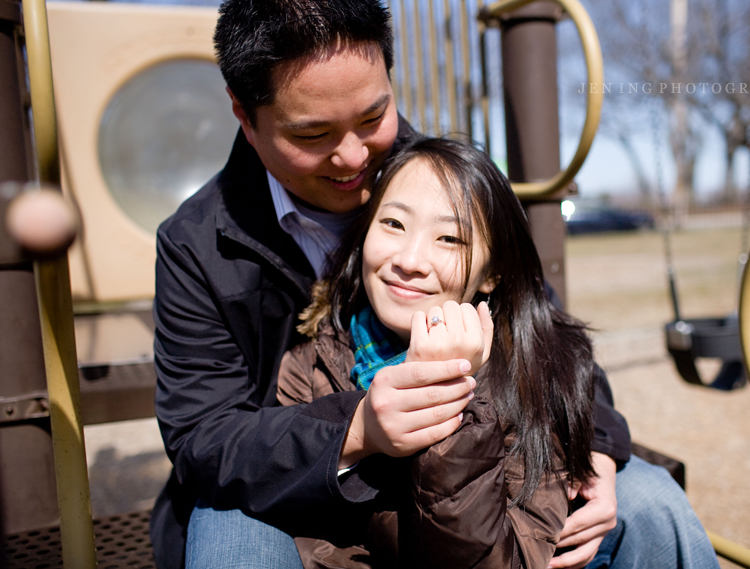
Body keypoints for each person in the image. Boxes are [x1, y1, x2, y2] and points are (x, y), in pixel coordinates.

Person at [151, 0, 719, 568]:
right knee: (227, 529)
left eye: (373, 117)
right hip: (307, 495)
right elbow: (205, 437)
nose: (354, 159)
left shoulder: (444, 184)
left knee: (650, 501)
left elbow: (542, 328)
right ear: (245, 116)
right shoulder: (198, 245)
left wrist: (594, 445)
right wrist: (356, 429)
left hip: (474, 496)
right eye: (314, 133)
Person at [275, 137, 598, 568]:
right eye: (393, 224)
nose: (410, 259)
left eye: (449, 238)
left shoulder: (532, 376)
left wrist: (447, 396)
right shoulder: (311, 365)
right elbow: (316, 545)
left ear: (492, 273)